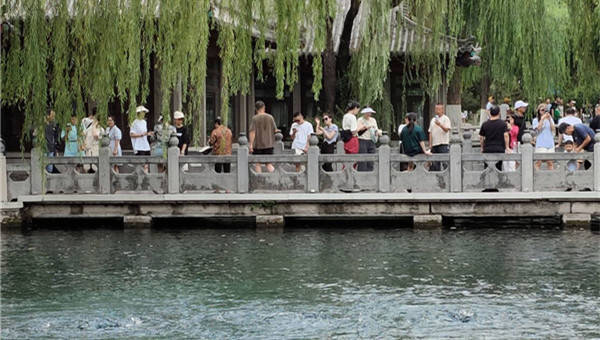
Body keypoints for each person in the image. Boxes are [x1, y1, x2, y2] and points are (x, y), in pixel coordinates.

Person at [249, 100, 277, 173]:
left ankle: (259, 179)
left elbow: (252, 132)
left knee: (258, 163)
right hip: (269, 144)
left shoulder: (255, 118)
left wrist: (251, 144)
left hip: (258, 145)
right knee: (268, 164)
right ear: (263, 107)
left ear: (256, 108)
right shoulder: (270, 117)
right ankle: (275, 176)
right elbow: (275, 130)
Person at [479, 105, 510, 170]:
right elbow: (506, 135)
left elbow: (481, 137)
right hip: (499, 149)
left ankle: (487, 180)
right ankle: (498, 180)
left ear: (490, 113)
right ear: (499, 113)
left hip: (487, 149)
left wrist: (482, 147)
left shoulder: (485, 124)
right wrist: (507, 147)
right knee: (498, 168)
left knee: (487, 169)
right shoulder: (503, 124)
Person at [356, 107, 382, 171]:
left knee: (371, 159)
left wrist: (378, 132)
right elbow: (358, 131)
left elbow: (376, 129)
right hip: (362, 140)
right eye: (367, 113)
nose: (369, 114)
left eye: (370, 113)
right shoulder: (360, 120)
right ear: (364, 113)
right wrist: (367, 127)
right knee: (363, 159)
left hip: (371, 140)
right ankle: (362, 174)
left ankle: (370, 172)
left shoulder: (373, 120)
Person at [428, 104, 451, 171]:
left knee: (445, 162)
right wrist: (430, 144)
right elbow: (430, 132)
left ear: (442, 110)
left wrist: (440, 124)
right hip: (434, 144)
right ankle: (436, 176)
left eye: (439, 109)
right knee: (434, 163)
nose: (437, 111)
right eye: (436, 109)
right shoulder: (433, 120)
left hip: (443, 143)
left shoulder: (446, 118)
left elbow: (447, 129)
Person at [130, 105, 153, 172]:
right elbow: (132, 134)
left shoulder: (144, 122)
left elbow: (145, 133)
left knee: (147, 162)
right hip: (138, 145)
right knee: (140, 163)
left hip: (145, 144)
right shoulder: (134, 122)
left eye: (144, 112)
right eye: (142, 112)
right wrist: (142, 134)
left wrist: (148, 134)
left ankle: (146, 175)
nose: (143, 114)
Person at [533, 104, 555, 170]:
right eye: (542, 110)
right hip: (541, 143)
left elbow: (553, 129)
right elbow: (538, 128)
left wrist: (550, 120)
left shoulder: (550, 119)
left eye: (545, 110)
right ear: (539, 111)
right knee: (538, 162)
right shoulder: (535, 120)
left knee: (550, 162)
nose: (544, 111)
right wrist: (542, 118)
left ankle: (552, 177)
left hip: (550, 143)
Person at [44, 109, 60, 173]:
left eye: (54, 116)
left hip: (51, 148)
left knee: (50, 168)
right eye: (52, 115)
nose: (53, 117)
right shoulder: (41, 124)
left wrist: (56, 150)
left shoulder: (54, 124)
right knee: (43, 167)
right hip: (43, 148)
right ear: (48, 116)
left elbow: (55, 138)